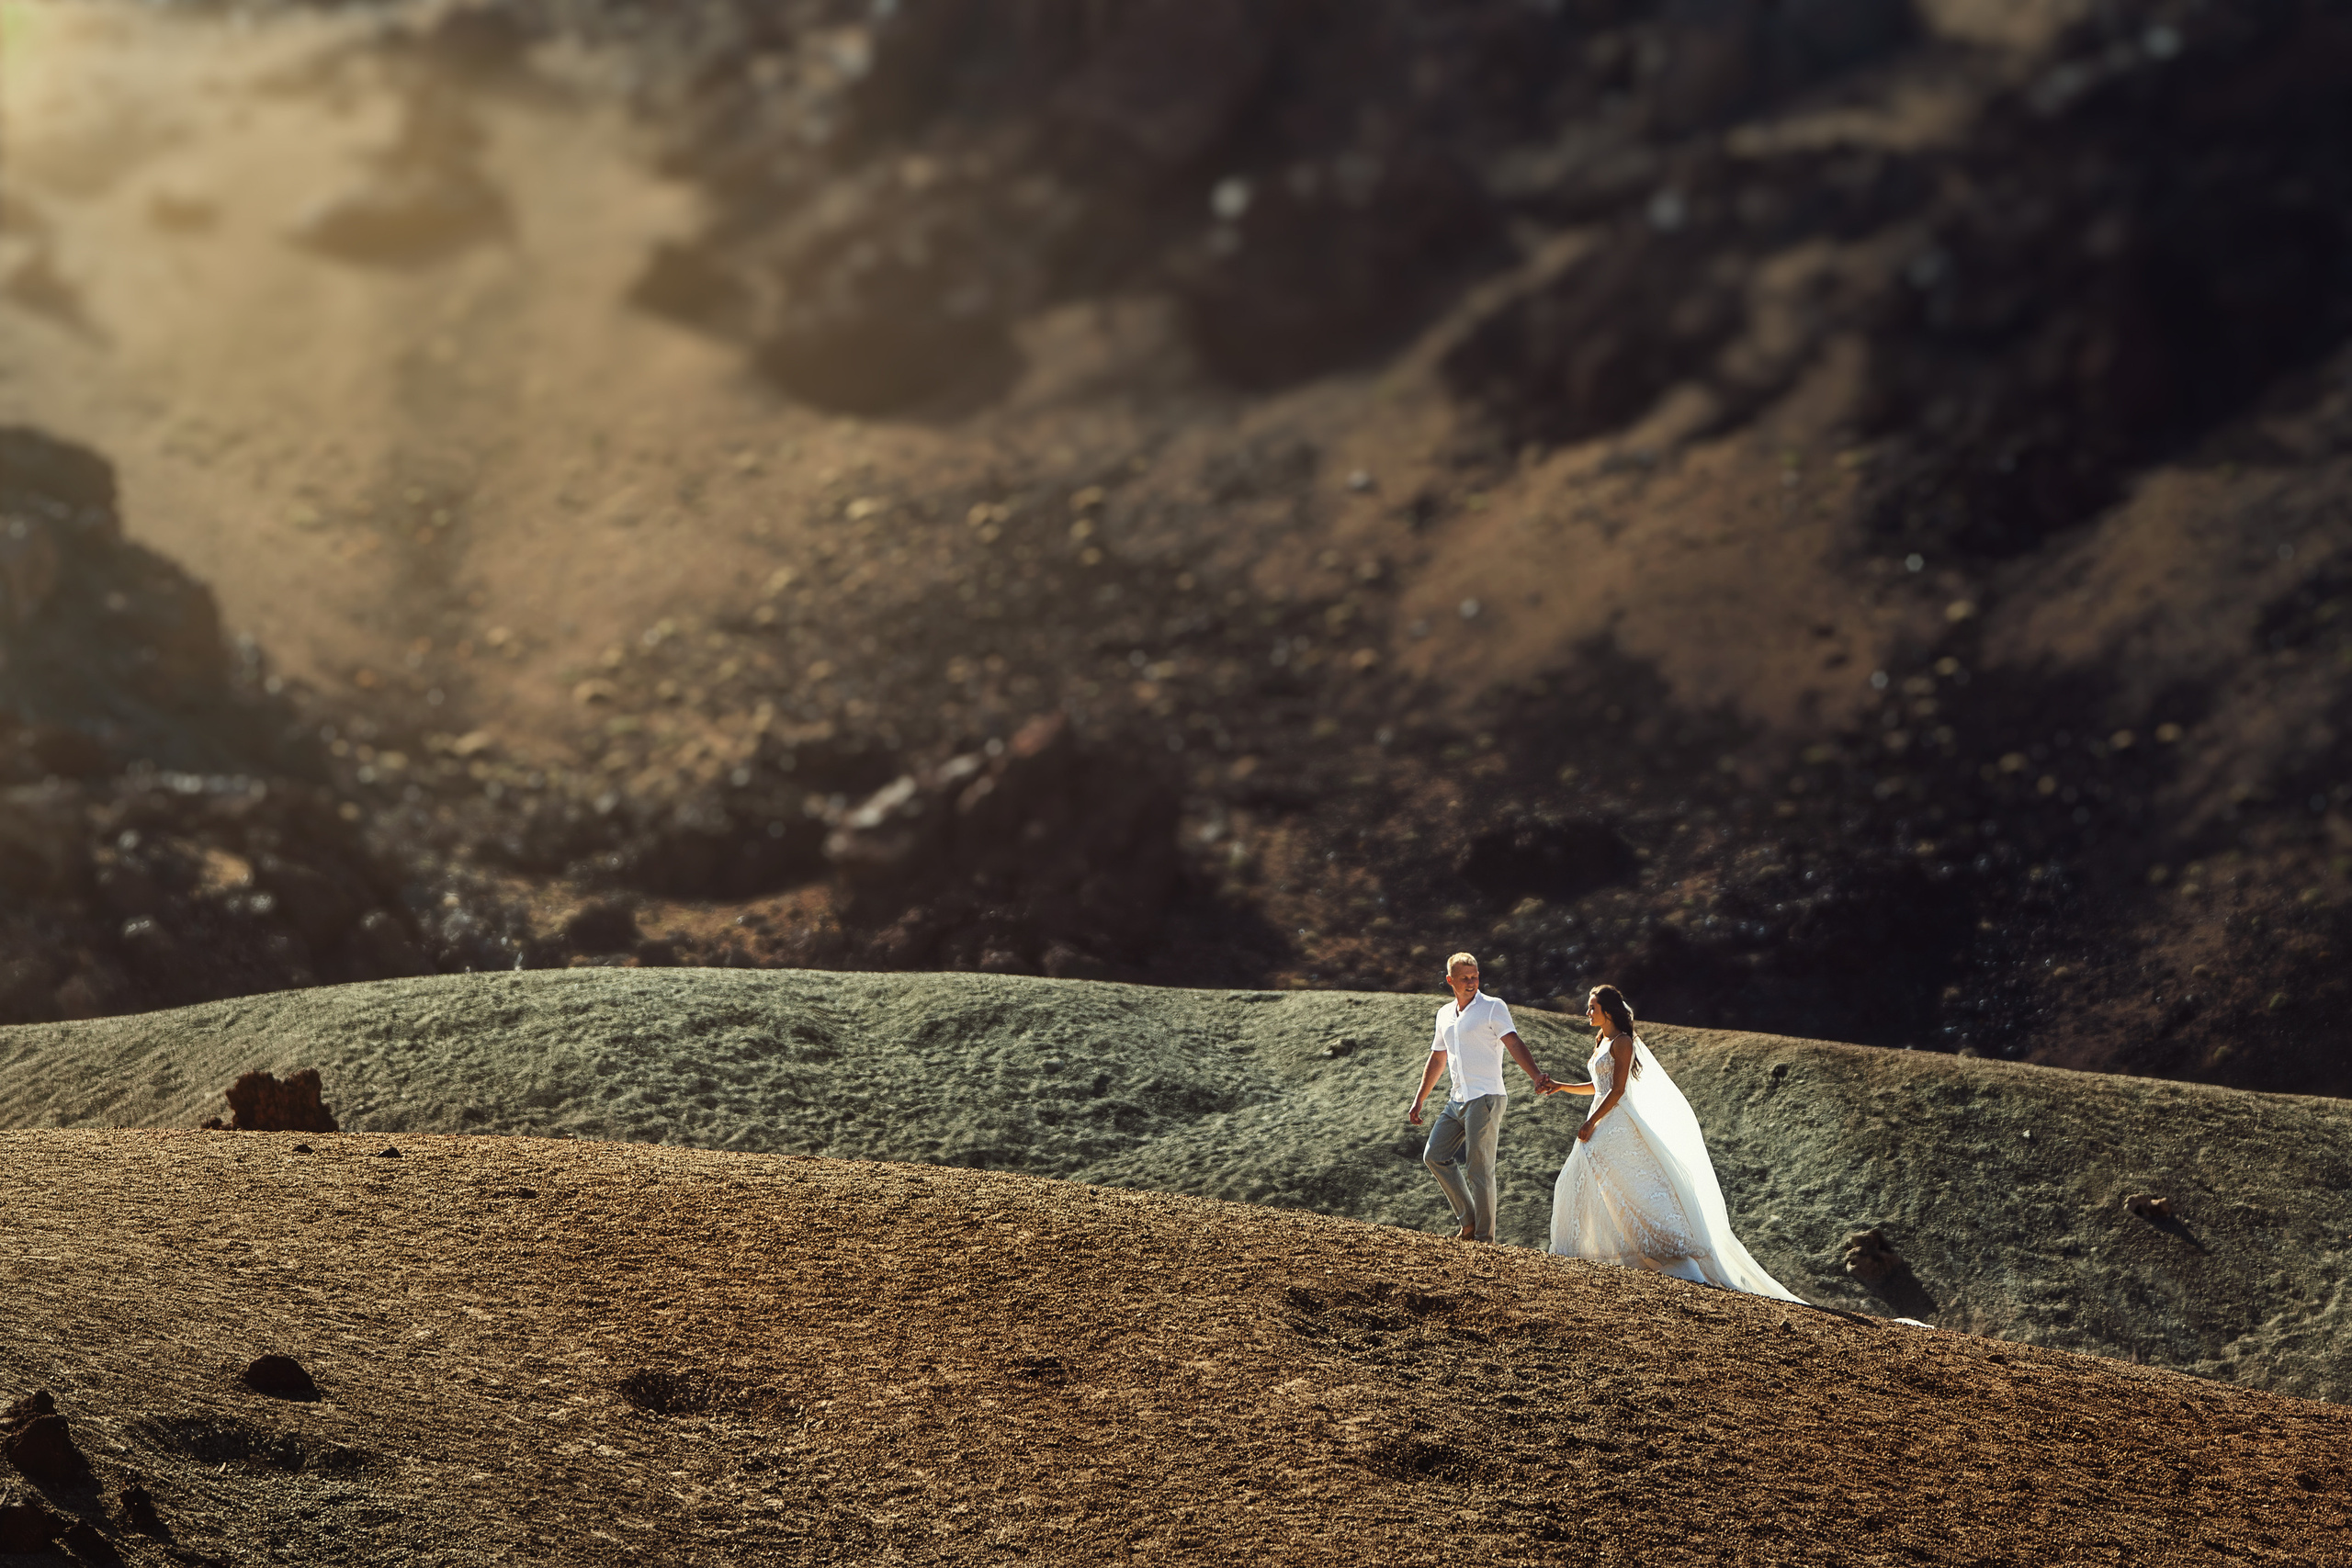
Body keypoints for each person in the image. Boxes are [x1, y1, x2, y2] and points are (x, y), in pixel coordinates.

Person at [1544, 984, 1804, 1301]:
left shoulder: (1623, 1042)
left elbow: (1618, 1090)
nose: (1588, 1012)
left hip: (1615, 1123)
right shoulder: (1602, 1040)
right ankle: (1591, 1250)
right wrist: (1562, 1086)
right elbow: (1598, 1086)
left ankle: (1670, 1252)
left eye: (1592, 1007)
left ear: (1608, 1011)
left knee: (1628, 1185)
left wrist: (1591, 1122)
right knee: (1587, 1180)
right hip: (1601, 1120)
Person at [1405, 952, 1562, 1243]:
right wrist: (1419, 1099)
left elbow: (1513, 1042)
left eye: (1475, 977)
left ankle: (1483, 1239)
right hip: (1457, 1099)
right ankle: (1468, 1222)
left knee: (1480, 1169)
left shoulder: (1492, 1007)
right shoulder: (1444, 1015)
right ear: (1450, 980)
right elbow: (1437, 1058)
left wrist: (1536, 1075)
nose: (1471, 982)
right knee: (1434, 1156)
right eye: (1464, 978)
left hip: (1486, 1097)